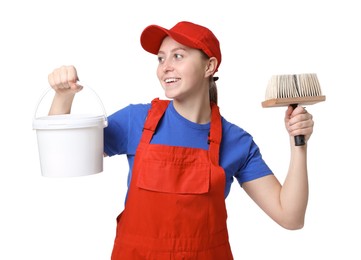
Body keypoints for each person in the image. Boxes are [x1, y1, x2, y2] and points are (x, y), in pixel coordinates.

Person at [47, 21, 314, 260]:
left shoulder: (235, 141)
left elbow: (289, 217)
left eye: (178, 56)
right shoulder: (136, 121)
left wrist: (297, 142)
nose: (166, 67)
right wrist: (63, 96)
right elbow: (62, 155)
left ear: (209, 66)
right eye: (161, 58)